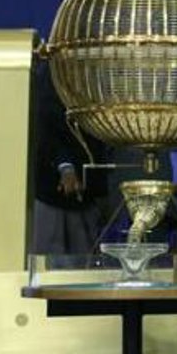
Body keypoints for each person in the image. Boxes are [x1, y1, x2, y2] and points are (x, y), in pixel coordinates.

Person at [30, 60, 109, 255]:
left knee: (86, 263)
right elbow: (46, 123)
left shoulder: (97, 67)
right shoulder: (52, 69)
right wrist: (65, 166)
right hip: (54, 188)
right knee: (47, 262)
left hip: (89, 190)